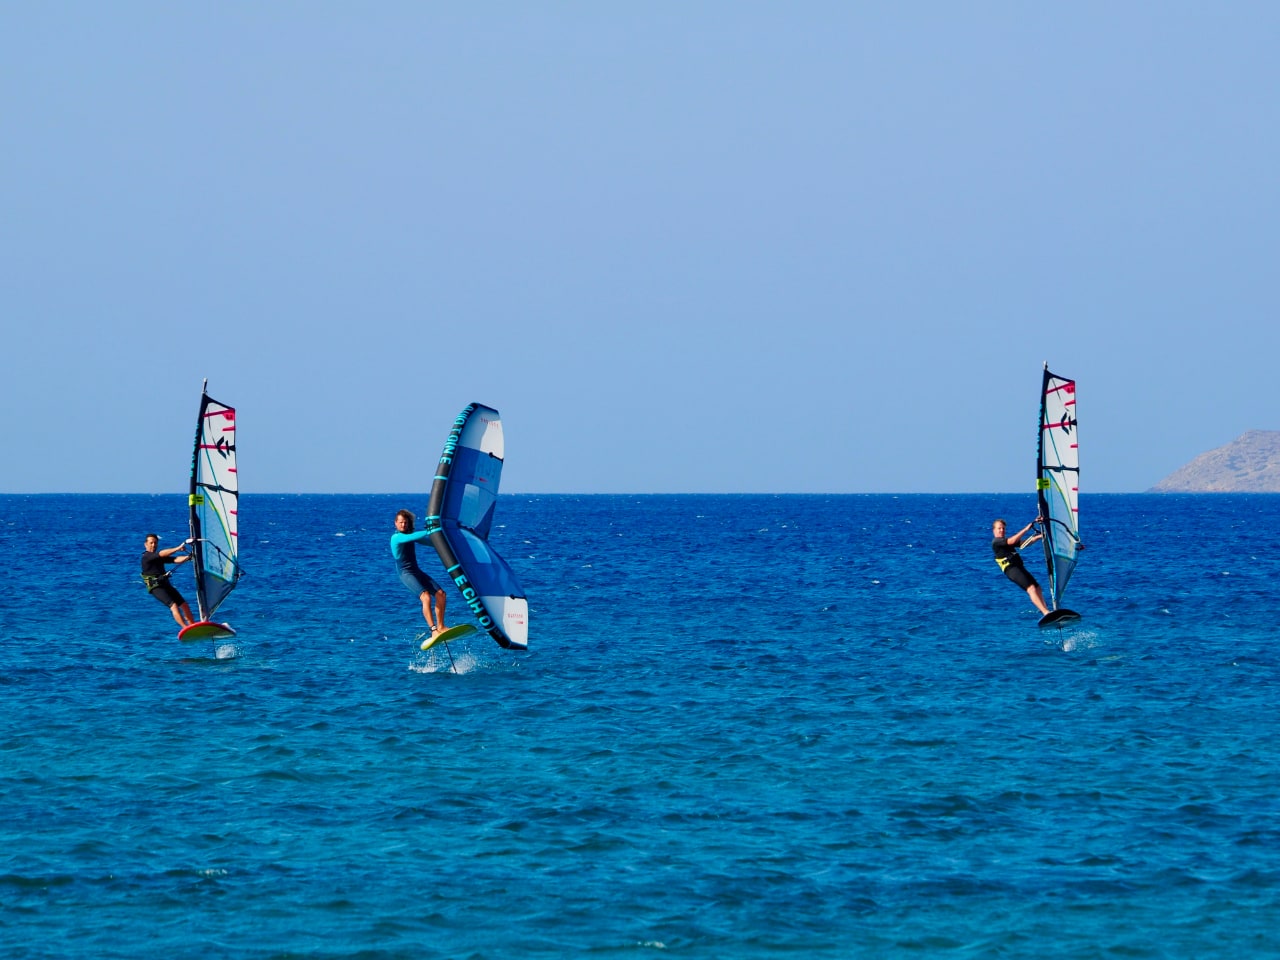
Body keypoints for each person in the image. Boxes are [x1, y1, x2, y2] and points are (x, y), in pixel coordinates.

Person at [390, 510, 448, 638]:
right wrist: (431, 530)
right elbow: (412, 537)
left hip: (416, 571)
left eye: (405, 522)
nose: (403, 525)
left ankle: (441, 627)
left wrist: (445, 541)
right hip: (406, 574)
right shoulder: (396, 537)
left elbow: (430, 543)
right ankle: (433, 630)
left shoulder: (410, 535)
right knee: (426, 597)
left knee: (441, 594)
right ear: (395, 523)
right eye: (400, 522)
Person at [991, 517, 1051, 616]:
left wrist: (1040, 536)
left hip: (1019, 567)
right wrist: (1026, 528)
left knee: (1038, 588)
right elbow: (1012, 541)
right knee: (1031, 589)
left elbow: (1024, 544)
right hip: (1011, 570)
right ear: (994, 530)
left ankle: (1045, 610)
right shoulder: (996, 542)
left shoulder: (1005, 540)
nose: (1002, 530)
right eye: (999, 528)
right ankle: (1046, 613)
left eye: (1003, 528)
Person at [141, 533, 195, 628]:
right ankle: (185, 628)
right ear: (145, 544)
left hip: (165, 585)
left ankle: (193, 626)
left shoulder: (158, 557)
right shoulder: (146, 557)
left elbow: (175, 559)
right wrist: (178, 548)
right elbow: (161, 553)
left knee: (184, 605)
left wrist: (189, 557)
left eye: (155, 543)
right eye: (151, 543)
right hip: (156, 588)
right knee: (174, 606)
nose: (153, 545)